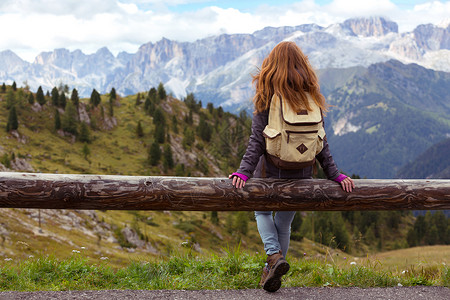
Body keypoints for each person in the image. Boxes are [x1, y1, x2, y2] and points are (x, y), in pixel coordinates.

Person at [229, 41, 355, 293]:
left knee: (262, 213)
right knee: (284, 223)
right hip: (302, 174)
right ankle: (272, 270)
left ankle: (274, 257)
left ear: (272, 65)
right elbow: (321, 141)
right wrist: (335, 174)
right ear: (302, 64)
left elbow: (257, 139)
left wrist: (243, 171)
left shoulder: (268, 95)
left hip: (270, 173)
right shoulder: (312, 97)